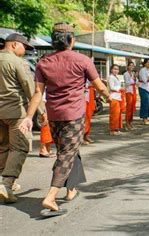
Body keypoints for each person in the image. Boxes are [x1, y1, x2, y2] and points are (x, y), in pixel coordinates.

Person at [19, 22, 111, 216]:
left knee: (68, 150)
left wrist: (29, 117)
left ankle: (71, 190)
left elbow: (37, 92)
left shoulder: (43, 62)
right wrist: (109, 97)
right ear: (71, 40)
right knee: (66, 154)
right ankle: (51, 196)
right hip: (73, 116)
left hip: (54, 115)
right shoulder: (82, 60)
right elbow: (100, 87)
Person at [0, 33, 46, 204]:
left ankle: (3, 181)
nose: (24, 50)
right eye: (23, 46)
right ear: (13, 44)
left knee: (3, 147)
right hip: (15, 112)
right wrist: (41, 111)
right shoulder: (18, 62)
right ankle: (6, 183)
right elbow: (30, 88)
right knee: (20, 147)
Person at [108, 64, 123, 135]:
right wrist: (120, 89)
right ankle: (113, 130)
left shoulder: (116, 77)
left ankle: (116, 128)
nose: (116, 70)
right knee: (114, 114)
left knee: (118, 114)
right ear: (111, 69)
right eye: (114, 69)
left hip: (118, 97)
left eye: (117, 69)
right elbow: (111, 87)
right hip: (114, 97)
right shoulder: (111, 77)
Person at [123, 62, 137, 130]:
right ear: (128, 66)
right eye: (130, 65)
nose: (132, 67)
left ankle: (130, 121)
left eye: (132, 65)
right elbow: (127, 83)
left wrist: (134, 79)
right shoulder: (126, 74)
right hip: (129, 91)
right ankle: (127, 122)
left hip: (133, 90)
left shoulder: (133, 73)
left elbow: (135, 82)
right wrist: (132, 79)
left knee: (132, 107)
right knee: (129, 107)